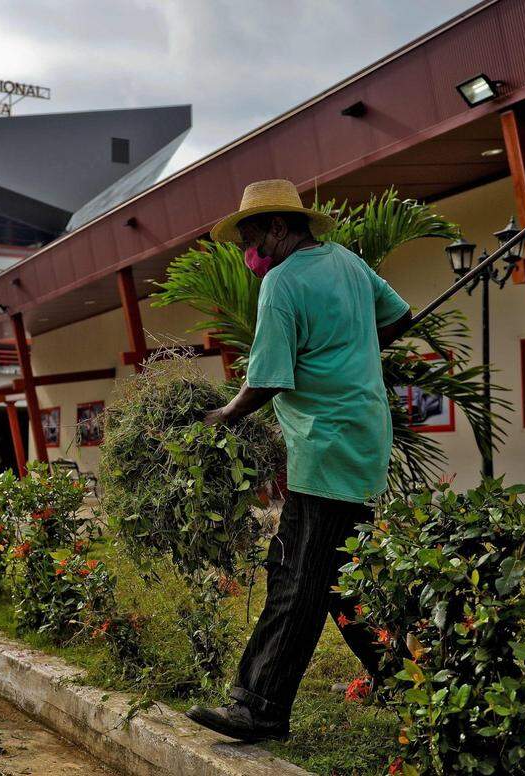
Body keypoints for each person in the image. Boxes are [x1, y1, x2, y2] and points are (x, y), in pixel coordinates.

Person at [185, 179, 412, 742]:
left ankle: (259, 707)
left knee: (294, 579)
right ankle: (408, 681)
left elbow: (265, 379)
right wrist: (350, 345)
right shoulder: (351, 265)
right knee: (341, 577)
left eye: (253, 236)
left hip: (323, 445)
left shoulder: (282, 282)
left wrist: (219, 420)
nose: (248, 252)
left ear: (281, 228)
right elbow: (401, 317)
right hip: (363, 436)